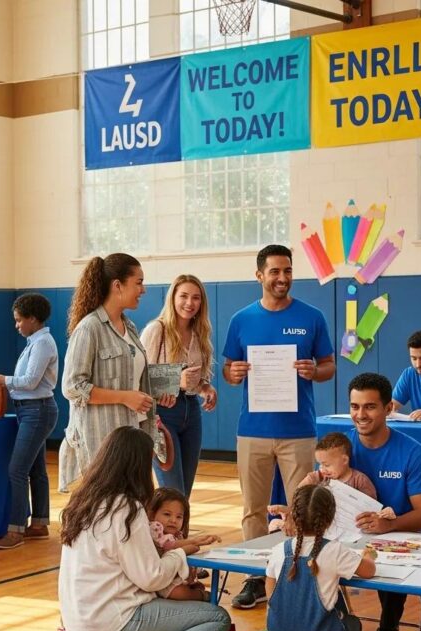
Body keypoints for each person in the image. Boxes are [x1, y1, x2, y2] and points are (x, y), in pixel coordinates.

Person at [58, 426, 231, 631]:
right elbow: (151, 577)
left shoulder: (85, 501)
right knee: (218, 618)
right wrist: (180, 553)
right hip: (114, 623)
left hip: (79, 619)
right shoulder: (126, 508)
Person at [222, 244, 335, 609]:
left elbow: (329, 365)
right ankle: (256, 579)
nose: (282, 278)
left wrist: (313, 371)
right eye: (275, 272)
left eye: (287, 271)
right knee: (253, 509)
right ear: (259, 276)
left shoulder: (312, 316)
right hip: (252, 430)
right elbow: (228, 371)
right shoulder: (241, 320)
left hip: (298, 431)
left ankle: (301, 576)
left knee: (303, 509)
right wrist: (233, 373)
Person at [347, 372, 421, 631]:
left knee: (389, 558)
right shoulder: (340, 449)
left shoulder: (412, 451)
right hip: (350, 533)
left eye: (370, 407)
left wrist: (390, 525)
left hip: (398, 534)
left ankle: (388, 630)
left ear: (389, 409)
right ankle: (336, 626)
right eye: (355, 406)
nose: (360, 415)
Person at [60, 253, 162, 492]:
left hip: (135, 438)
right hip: (103, 445)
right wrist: (125, 397)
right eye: (138, 282)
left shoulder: (130, 327)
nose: (143, 290)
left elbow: (137, 379)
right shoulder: (89, 328)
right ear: (117, 285)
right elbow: (72, 387)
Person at [266, 484, 376, 631]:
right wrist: (368, 555)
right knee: (353, 624)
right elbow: (368, 571)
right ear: (330, 518)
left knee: (330, 607)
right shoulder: (334, 550)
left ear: (294, 517)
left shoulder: (280, 550)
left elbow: (271, 592)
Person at [0, 293, 59, 550]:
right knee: (36, 469)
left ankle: (16, 529)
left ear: (33, 319)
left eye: (19, 320)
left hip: (37, 410)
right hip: (31, 409)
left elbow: (30, 382)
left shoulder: (42, 343)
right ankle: (40, 522)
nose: (17, 325)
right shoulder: (36, 341)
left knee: (17, 470)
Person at [141, 275, 218, 496]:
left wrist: (205, 388)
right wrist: (175, 381)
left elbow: (196, 378)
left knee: (185, 492)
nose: (189, 303)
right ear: (172, 298)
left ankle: (178, 532)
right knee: (172, 491)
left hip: (191, 412)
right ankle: (167, 531)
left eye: (196, 298)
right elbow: (138, 378)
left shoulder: (199, 333)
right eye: (183, 296)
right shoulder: (157, 330)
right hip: (162, 414)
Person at [267, 431, 382, 533]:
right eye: (320, 464)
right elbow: (300, 493)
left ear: (345, 460)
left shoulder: (359, 480)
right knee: (288, 522)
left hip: (348, 527)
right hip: (321, 524)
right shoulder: (319, 477)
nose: (322, 469)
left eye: (327, 465)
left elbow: (370, 506)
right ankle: (286, 514)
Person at [147, 486, 220, 601]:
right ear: (152, 514)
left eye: (179, 517)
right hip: (162, 581)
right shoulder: (155, 530)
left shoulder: (177, 534)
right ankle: (201, 596)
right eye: (167, 514)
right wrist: (193, 542)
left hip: (176, 576)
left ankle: (197, 592)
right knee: (179, 593)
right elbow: (167, 546)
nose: (173, 520)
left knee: (191, 585)